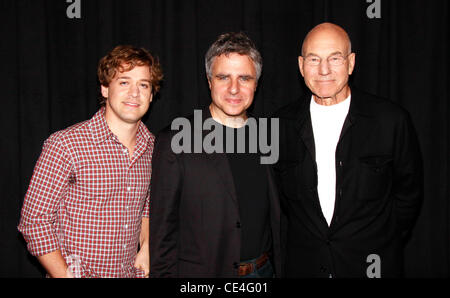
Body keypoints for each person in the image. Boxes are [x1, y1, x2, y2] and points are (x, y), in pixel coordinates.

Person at [274, 23, 423, 278]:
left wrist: (375, 240)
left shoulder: (390, 121)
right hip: (305, 268)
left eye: (335, 58)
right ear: (300, 65)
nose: (324, 70)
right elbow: (279, 202)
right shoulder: (279, 126)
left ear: (351, 63)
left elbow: (409, 196)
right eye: (314, 59)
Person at [18, 45, 163, 278]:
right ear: (105, 88)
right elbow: (34, 222)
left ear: (152, 94)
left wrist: (145, 247)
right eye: (124, 82)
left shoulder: (153, 148)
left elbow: (147, 205)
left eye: (143, 85)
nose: (135, 93)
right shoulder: (66, 144)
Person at [150, 32, 282, 278]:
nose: (234, 88)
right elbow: (162, 236)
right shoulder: (175, 140)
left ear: (256, 83)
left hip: (264, 272)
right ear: (209, 81)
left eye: (244, 78)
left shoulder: (266, 136)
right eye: (224, 77)